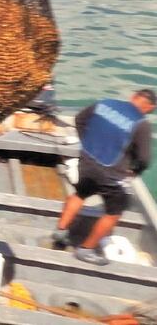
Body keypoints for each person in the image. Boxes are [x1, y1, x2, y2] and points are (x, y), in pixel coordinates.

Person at [53, 88, 156, 265]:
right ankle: (86, 250)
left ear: (133, 97)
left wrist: (87, 144)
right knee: (113, 213)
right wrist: (135, 171)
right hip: (111, 174)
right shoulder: (141, 124)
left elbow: (79, 120)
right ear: (150, 107)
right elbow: (144, 158)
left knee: (80, 194)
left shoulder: (105, 103)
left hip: (88, 162)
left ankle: (61, 232)